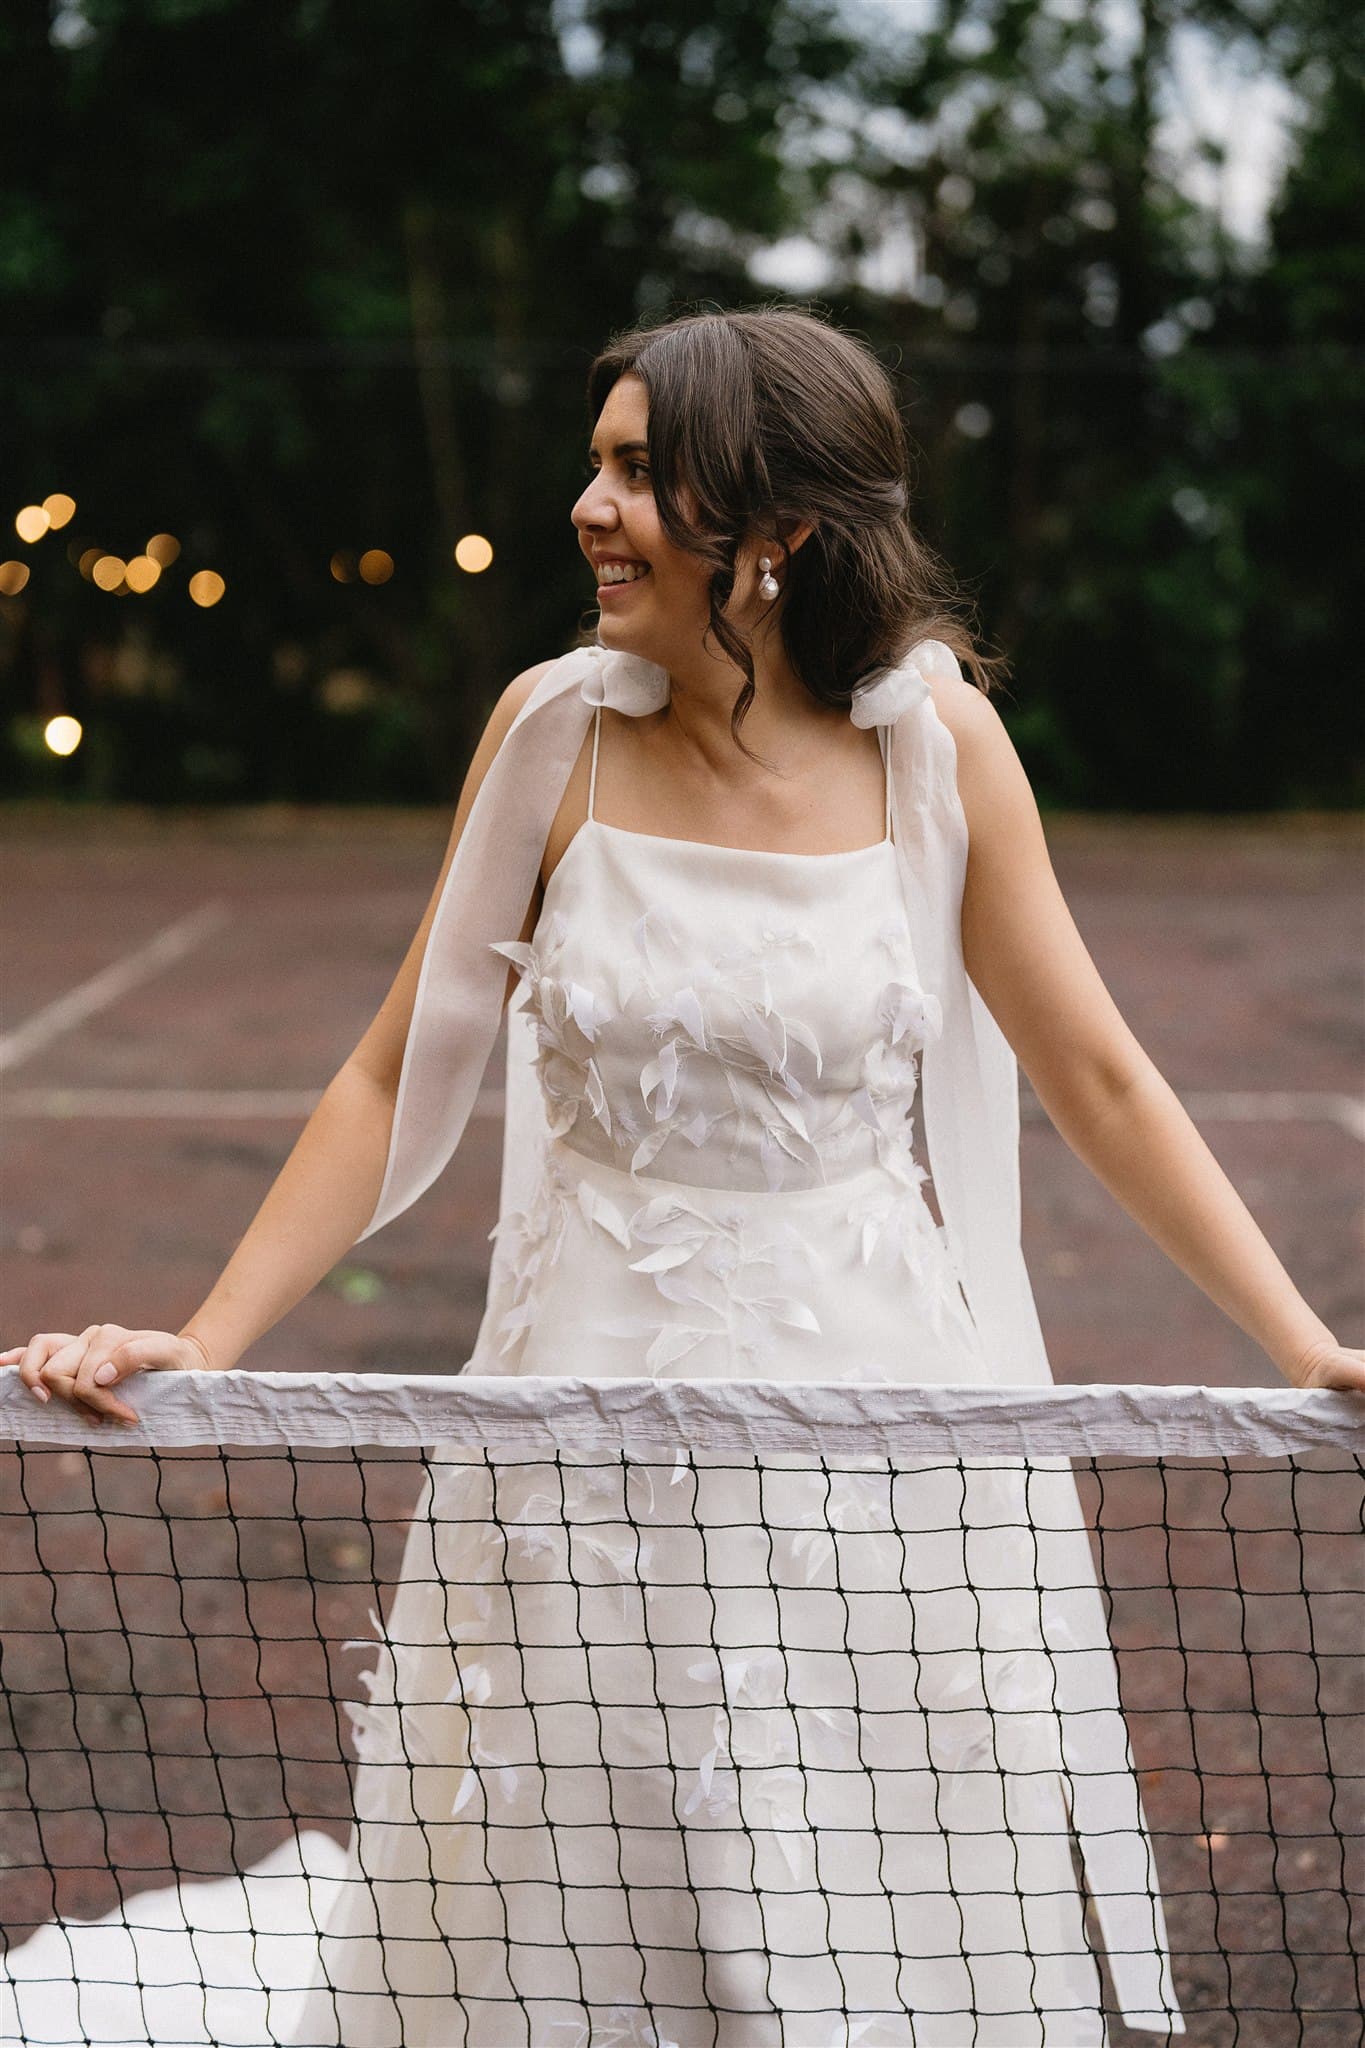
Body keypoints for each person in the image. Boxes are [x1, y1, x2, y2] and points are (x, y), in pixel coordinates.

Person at [5, 306, 1362, 2048]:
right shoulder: (548, 736)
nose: (587, 505)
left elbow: (1094, 1074)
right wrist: (212, 1329)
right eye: (597, 462)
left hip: (884, 1444)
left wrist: (1298, 1338)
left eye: (641, 473)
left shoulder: (938, 754)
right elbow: (384, 1070)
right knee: (568, 1919)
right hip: (573, 1435)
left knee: (867, 1914)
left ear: (780, 525)